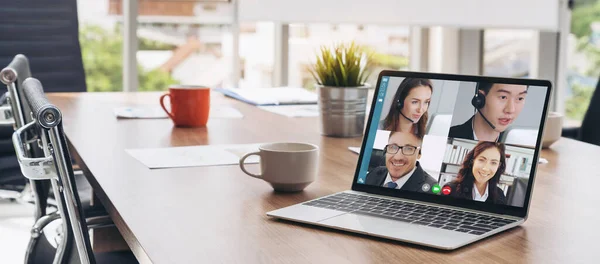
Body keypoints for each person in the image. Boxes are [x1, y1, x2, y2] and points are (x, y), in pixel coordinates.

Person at [448, 82, 528, 142]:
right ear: (480, 99)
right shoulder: (449, 136)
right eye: (503, 97)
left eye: (520, 98)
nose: (511, 110)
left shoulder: (520, 143)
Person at [365, 131, 437, 192]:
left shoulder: (431, 189)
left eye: (408, 149)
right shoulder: (374, 173)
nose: (398, 157)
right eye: (393, 147)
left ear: (419, 154)